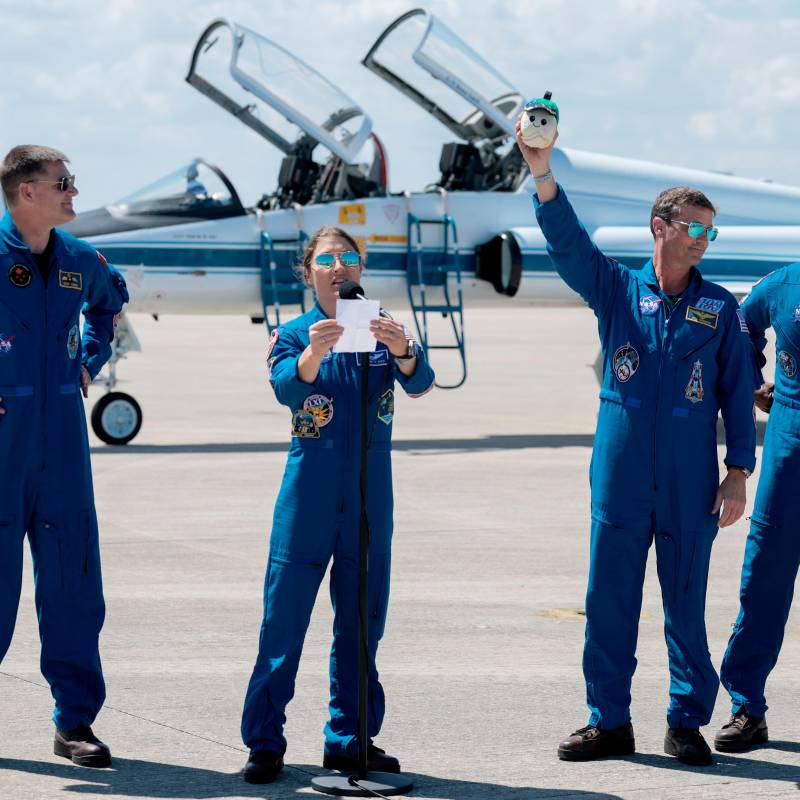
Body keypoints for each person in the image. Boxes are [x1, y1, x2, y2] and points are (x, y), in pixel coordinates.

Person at [515, 122, 758, 766]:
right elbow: (568, 247)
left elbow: (737, 394)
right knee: (610, 600)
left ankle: (685, 721)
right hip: (620, 475)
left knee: (685, 601)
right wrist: (542, 174)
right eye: (694, 228)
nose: (704, 240)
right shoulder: (619, 292)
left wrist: (737, 470)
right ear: (661, 228)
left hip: (688, 478)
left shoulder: (721, 310)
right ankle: (608, 721)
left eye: (711, 231)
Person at [240, 225, 435, 784]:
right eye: (328, 259)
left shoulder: (382, 329)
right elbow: (284, 386)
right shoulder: (294, 332)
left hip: (372, 497)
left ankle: (351, 739)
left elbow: (422, 384)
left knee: (361, 622)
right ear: (310, 272)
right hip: (310, 494)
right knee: (284, 621)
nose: (341, 266)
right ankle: (265, 741)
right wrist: (313, 353)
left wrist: (401, 348)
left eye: (350, 258)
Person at [0, 145, 128, 767]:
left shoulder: (80, 259)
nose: (74, 193)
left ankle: (75, 722)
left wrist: (89, 359)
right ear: (27, 192)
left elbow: (110, 303)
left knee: (74, 581)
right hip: (3, 441)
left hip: (63, 443)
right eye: (64, 183)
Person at [714, 263, 800, 752]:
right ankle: (746, 707)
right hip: (792, 443)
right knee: (765, 575)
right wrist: (754, 383)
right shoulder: (784, 284)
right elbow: (741, 327)